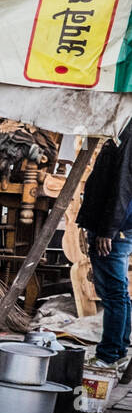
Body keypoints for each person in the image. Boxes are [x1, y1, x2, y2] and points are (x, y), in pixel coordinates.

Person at [75, 131, 132, 370]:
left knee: (113, 292)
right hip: (118, 224)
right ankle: (119, 349)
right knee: (118, 291)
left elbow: (122, 185)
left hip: (115, 227)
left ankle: (109, 354)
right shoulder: (122, 131)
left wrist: (107, 230)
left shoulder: (128, 133)